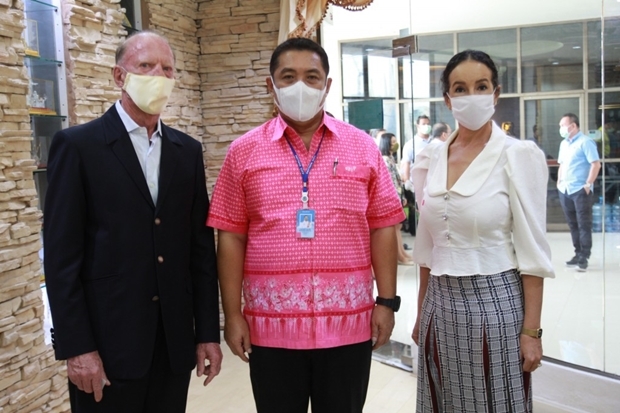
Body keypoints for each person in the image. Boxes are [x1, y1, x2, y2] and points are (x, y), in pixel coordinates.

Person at [207, 37, 405, 413]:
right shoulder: (243, 152)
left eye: (312, 77)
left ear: (327, 85)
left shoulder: (362, 147)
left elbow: (383, 226)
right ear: (271, 84)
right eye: (288, 76)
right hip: (271, 331)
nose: (301, 86)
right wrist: (233, 315)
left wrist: (386, 302)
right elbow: (230, 236)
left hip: (349, 327)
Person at [43, 30, 222, 413]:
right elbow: (61, 260)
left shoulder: (186, 152)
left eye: (167, 68)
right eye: (146, 65)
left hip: (172, 344)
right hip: (107, 347)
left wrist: (207, 332)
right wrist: (77, 347)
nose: (158, 74)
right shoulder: (78, 147)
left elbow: (200, 252)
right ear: (119, 76)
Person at [411, 49, 555, 413]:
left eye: (481, 86)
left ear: (495, 93)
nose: (471, 95)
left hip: (496, 302)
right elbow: (427, 251)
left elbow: (533, 254)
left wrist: (532, 331)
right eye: (460, 88)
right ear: (447, 99)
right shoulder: (431, 158)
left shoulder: (517, 155)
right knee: (441, 399)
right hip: (438, 304)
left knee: (494, 402)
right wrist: (419, 313)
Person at [557, 113, 602, 271]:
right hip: (565, 189)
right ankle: (577, 253)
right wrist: (559, 182)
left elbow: (595, 164)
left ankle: (584, 256)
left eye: (563, 125)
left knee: (584, 224)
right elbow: (562, 164)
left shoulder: (586, 142)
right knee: (572, 224)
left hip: (580, 189)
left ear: (573, 126)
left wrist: (588, 184)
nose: (561, 128)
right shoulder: (564, 144)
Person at [379, 133, 412, 265]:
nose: (395, 144)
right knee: (395, 227)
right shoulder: (385, 160)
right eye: (392, 142)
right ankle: (400, 256)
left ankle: (402, 253)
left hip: (397, 196)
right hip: (392, 198)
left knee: (398, 227)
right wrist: (398, 197)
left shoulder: (391, 158)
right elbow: (391, 182)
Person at [400, 115, 432, 235]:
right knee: (415, 206)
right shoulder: (411, 144)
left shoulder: (433, 141)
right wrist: (407, 180)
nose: (426, 126)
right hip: (416, 181)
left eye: (428, 124)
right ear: (418, 126)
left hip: (431, 179)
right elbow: (406, 162)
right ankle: (414, 230)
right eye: (423, 124)